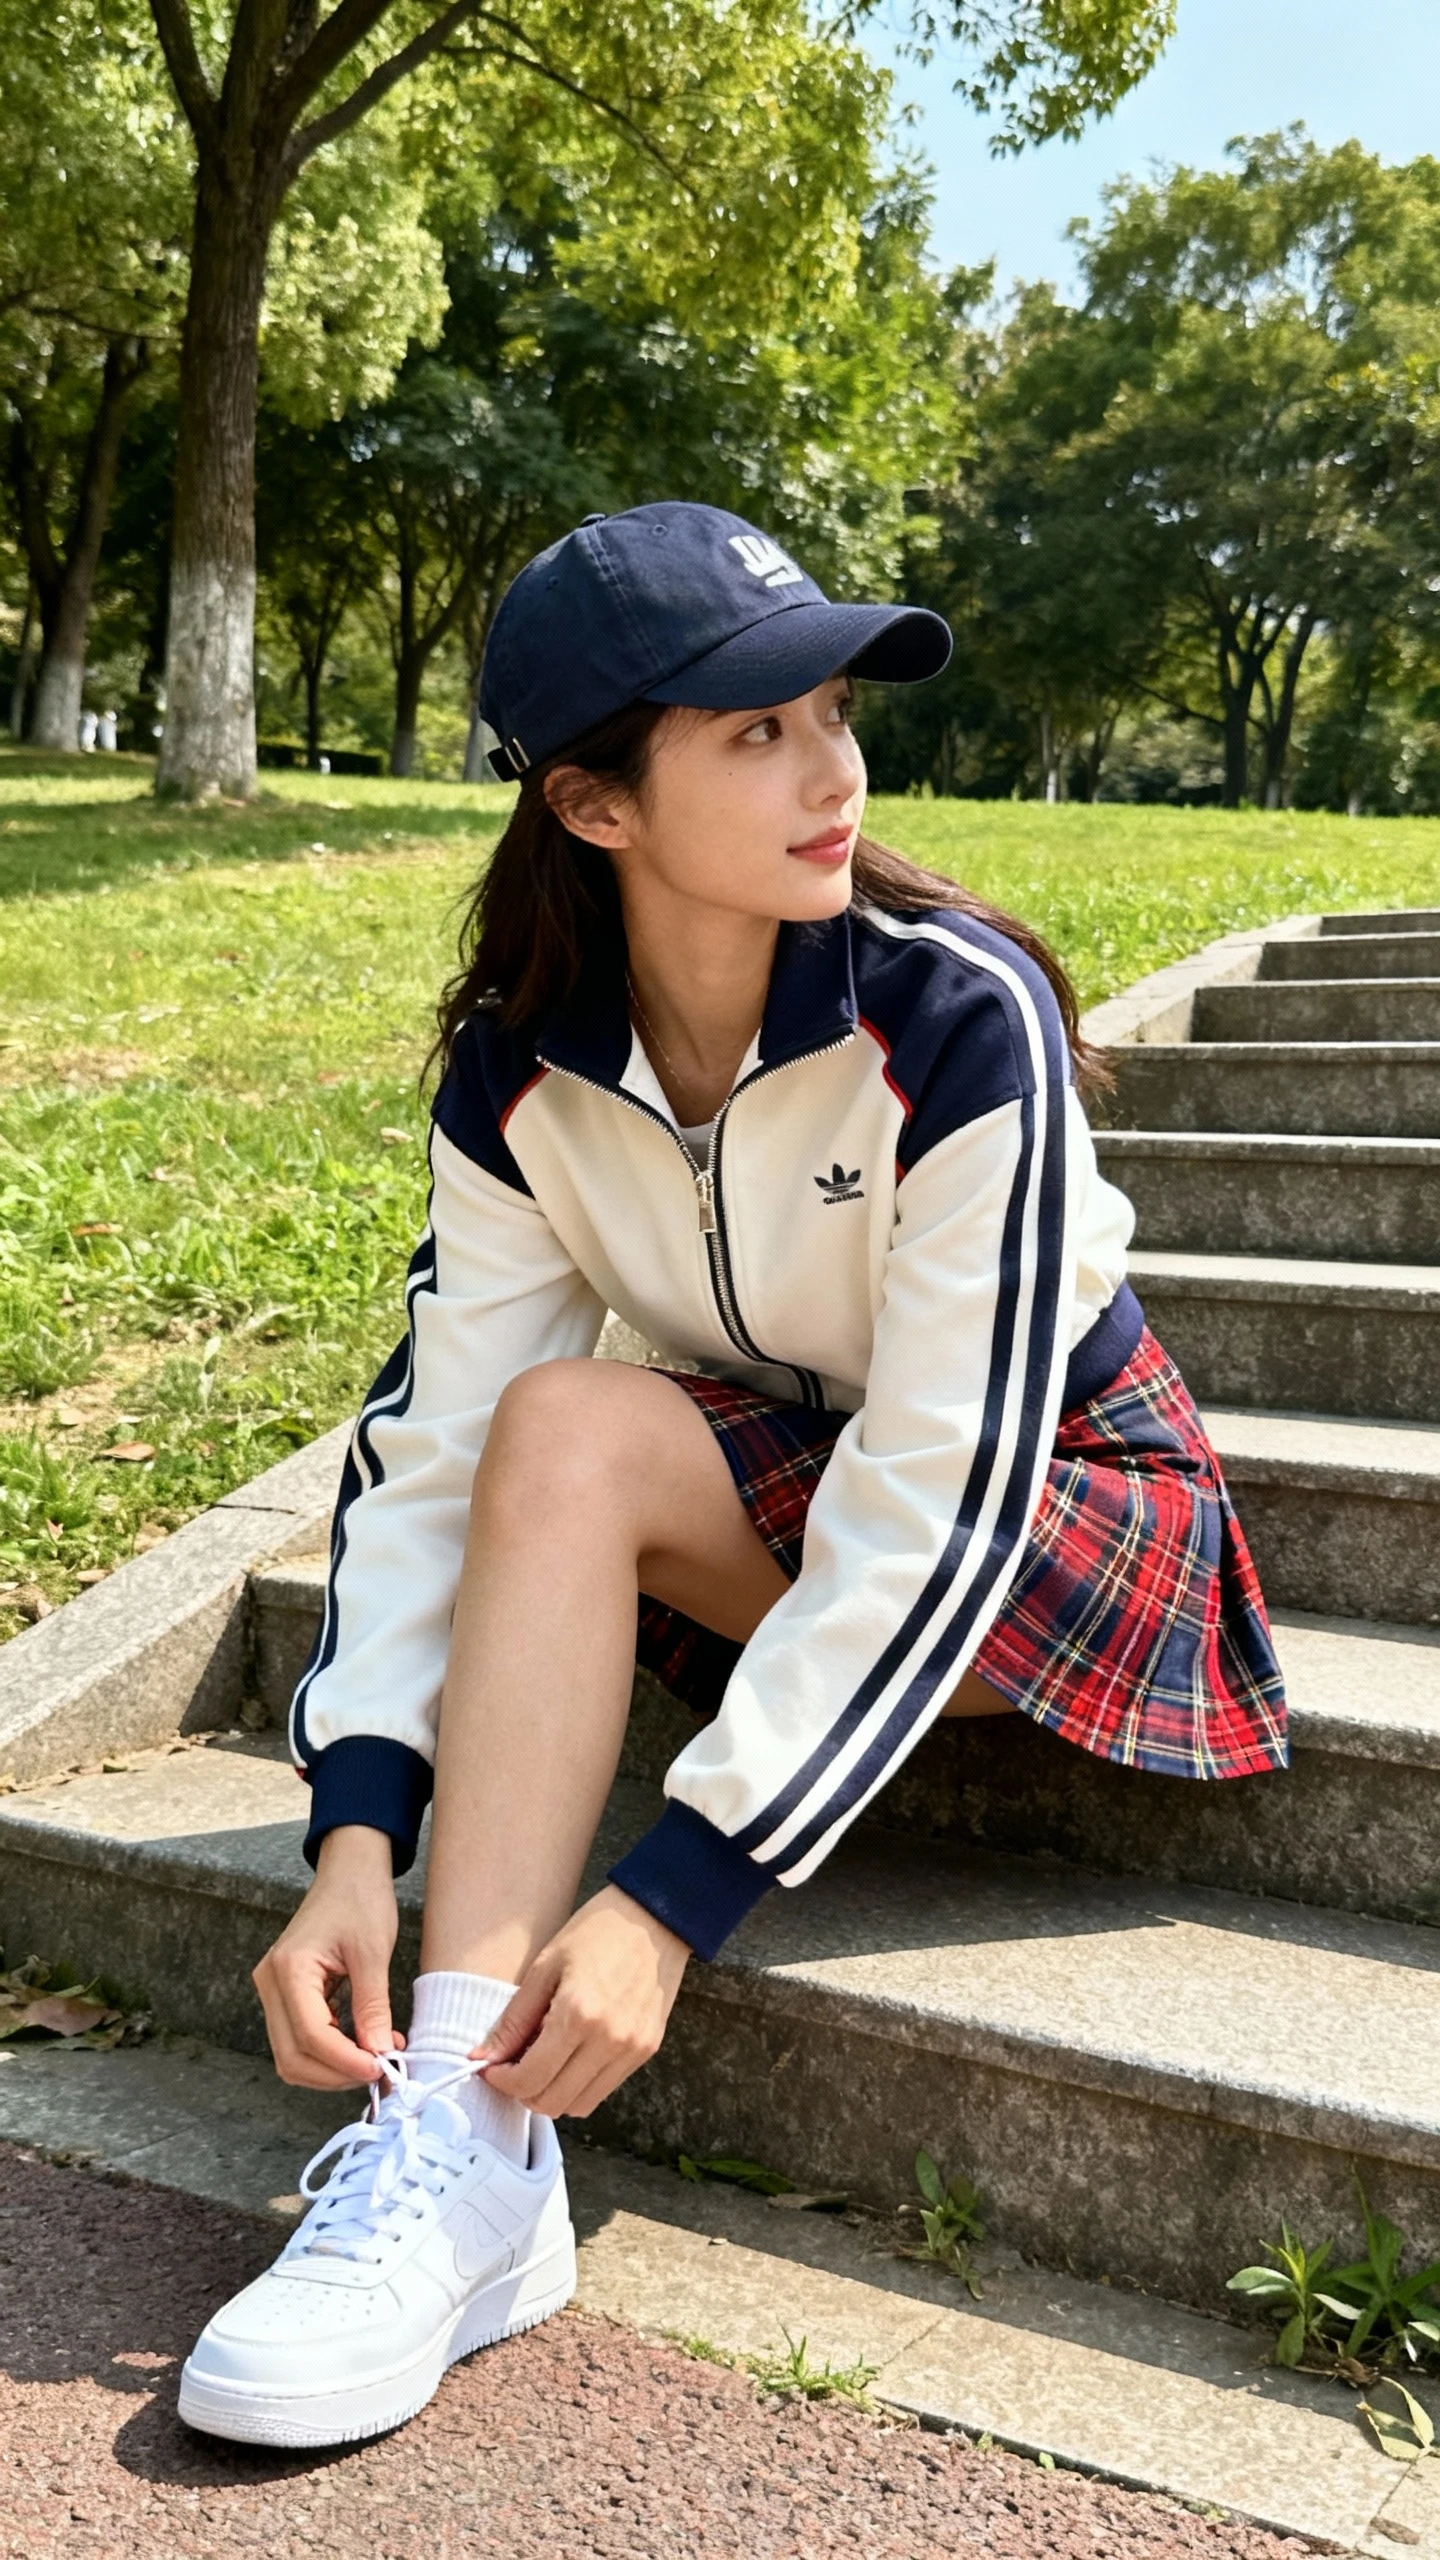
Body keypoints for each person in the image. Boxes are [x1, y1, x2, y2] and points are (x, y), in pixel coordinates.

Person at [179, 502, 1286, 2448]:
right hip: (816, 1481)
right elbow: (434, 1446)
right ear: (596, 806)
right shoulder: (522, 1068)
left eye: (833, 707)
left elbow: (939, 1499)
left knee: (613, 1426)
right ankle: (466, 2141)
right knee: (554, 1419)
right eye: (755, 728)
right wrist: (355, 1825)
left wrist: (675, 1893)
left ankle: (469, 2122)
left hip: (1082, 1518)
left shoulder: (952, 1015)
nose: (833, 766)